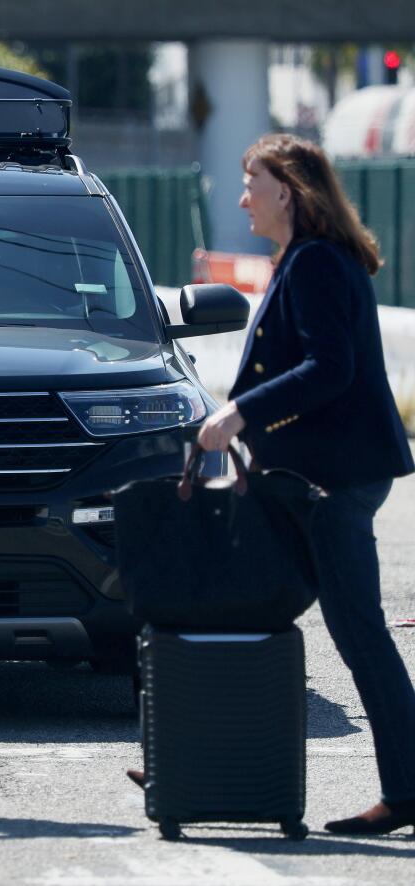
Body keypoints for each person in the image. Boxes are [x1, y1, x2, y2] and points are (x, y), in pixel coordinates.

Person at [195, 134, 415, 835]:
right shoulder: (305, 258)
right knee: (244, 610)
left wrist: (239, 412)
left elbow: (332, 369)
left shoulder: (319, 261)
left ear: (286, 189)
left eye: (251, 182)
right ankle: (195, 762)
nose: (242, 198)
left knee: (359, 636)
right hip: (309, 477)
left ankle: (409, 790)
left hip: (332, 481)